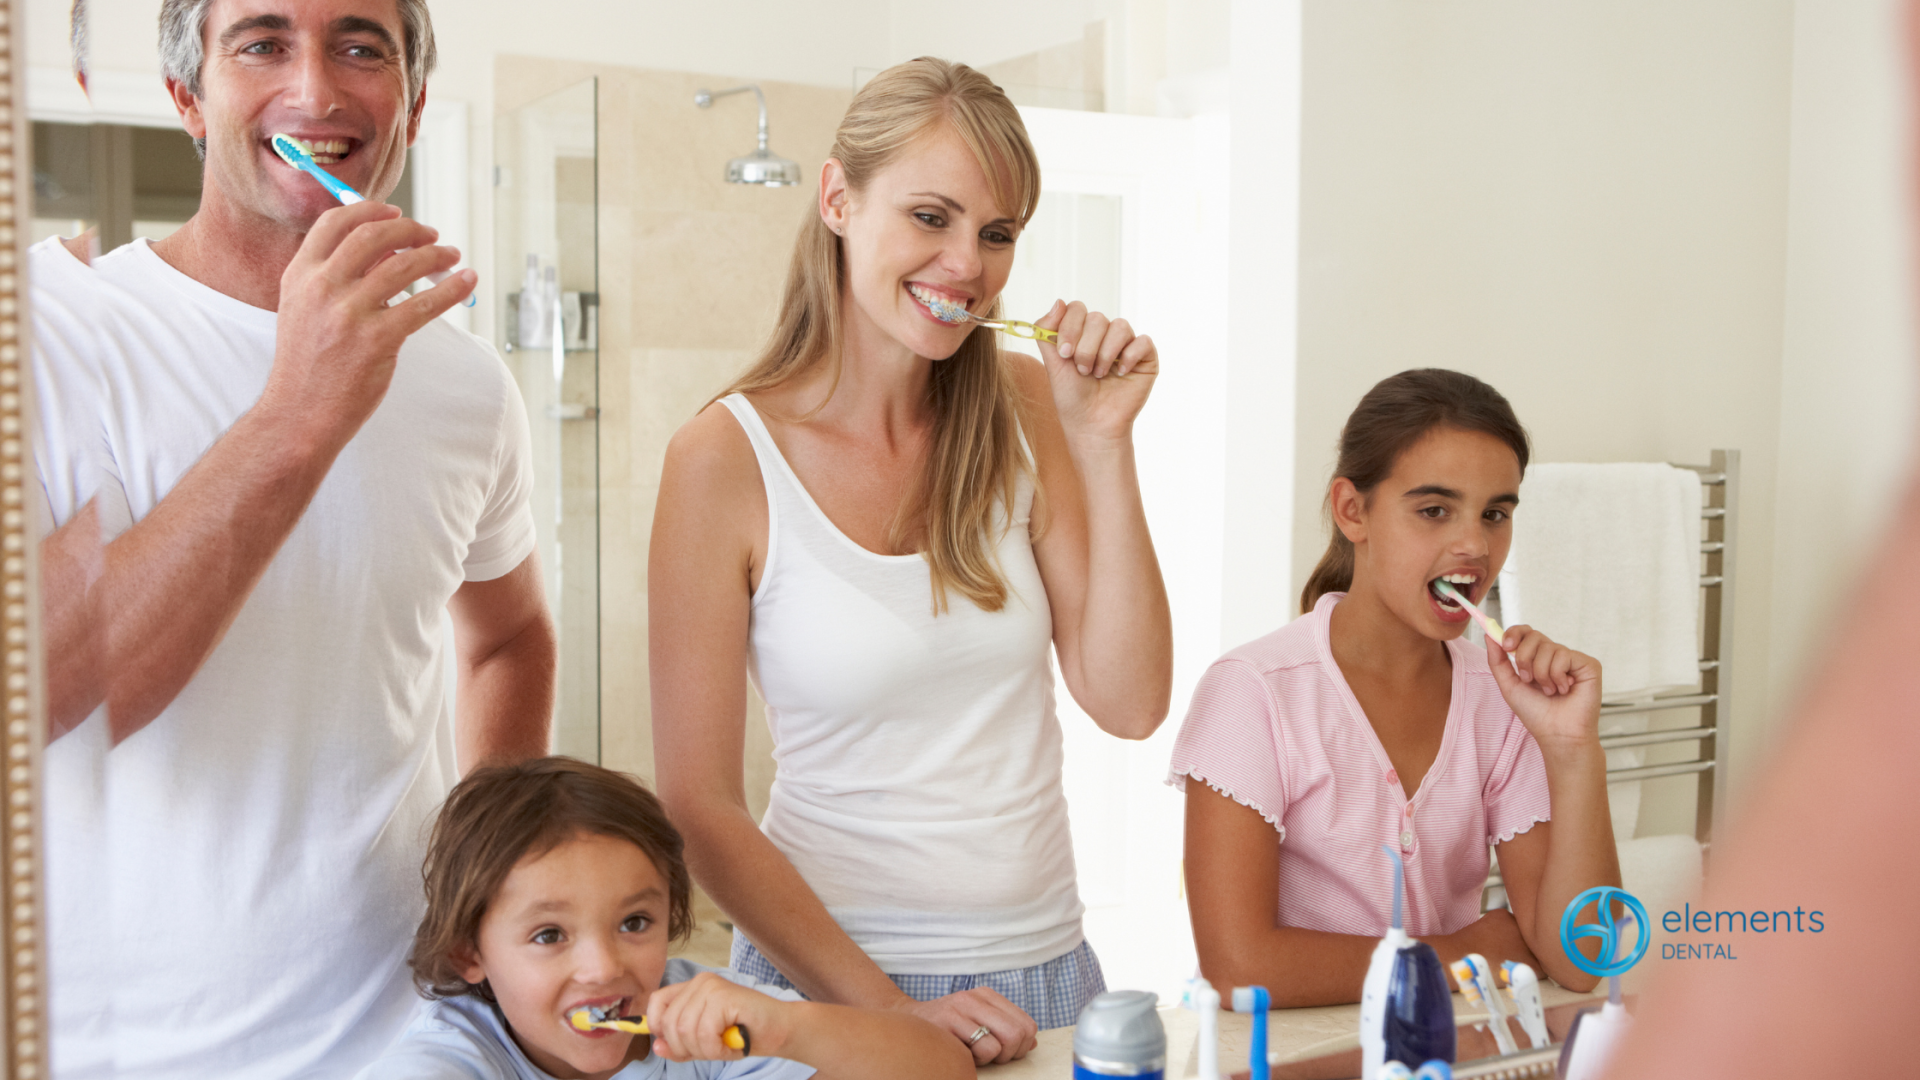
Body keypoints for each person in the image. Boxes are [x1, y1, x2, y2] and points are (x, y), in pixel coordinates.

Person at [31, 0, 556, 1077]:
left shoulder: (464, 384)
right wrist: (297, 410)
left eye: (362, 46)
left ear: (410, 103)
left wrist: (493, 895)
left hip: (410, 1040)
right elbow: (36, 685)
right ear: (188, 98)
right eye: (262, 43)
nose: (317, 91)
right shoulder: (57, 330)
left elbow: (509, 639)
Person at [648, 57, 1173, 1065]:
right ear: (840, 199)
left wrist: (1105, 443)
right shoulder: (723, 459)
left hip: (1046, 974)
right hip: (831, 991)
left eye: (996, 232)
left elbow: (1131, 702)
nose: (966, 264)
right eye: (930, 217)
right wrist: (885, 1012)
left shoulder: (1029, 407)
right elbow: (697, 805)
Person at [1170, 369, 1621, 1007]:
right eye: (1434, 510)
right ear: (1352, 510)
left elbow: (1581, 961)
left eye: (1495, 513)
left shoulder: (1502, 700)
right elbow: (1241, 968)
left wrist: (1574, 752)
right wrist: (1470, 952)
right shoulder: (1254, 694)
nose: (1474, 545)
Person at [363, 756, 972, 1080]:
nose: (603, 968)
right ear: (470, 952)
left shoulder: (696, 1015)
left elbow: (943, 1068)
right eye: (549, 935)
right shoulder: (457, 1055)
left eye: (634, 923)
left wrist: (787, 1029)